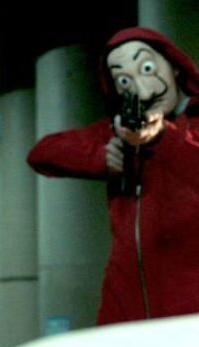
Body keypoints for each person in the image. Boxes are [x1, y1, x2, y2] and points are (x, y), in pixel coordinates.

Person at [27, 27, 199, 325]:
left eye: (147, 68)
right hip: (124, 303)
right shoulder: (120, 131)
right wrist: (102, 157)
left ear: (174, 66)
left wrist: (163, 137)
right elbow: (42, 152)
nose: (143, 90)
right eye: (124, 80)